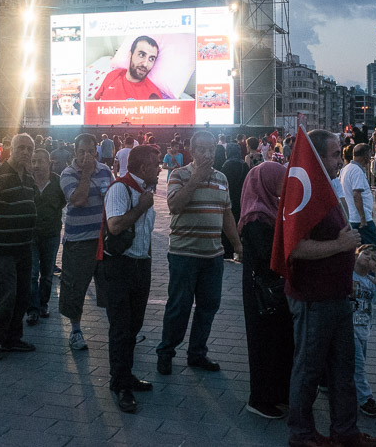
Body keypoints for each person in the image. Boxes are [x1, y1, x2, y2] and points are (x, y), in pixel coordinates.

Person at [284, 130, 376, 447]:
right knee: (308, 370)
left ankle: (346, 432)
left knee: (344, 369)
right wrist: (340, 244)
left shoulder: (326, 186)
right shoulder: (302, 189)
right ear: (315, 156)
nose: (338, 160)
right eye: (332, 154)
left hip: (339, 295)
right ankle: (301, 434)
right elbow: (294, 247)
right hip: (314, 297)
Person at [156, 131, 242, 376]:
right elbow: (174, 206)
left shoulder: (222, 178)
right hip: (184, 254)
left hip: (213, 256)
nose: (207, 153)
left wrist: (237, 245)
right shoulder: (179, 175)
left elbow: (227, 214)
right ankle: (166, 352)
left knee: (208, 306)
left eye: (211, 149)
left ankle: (197, 353)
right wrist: (196, 179)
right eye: (202, 149)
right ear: (192, 151)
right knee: (179, 306)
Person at [102, 145, 160, 413]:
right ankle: (120, 384)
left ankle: (126, 375)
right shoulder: (120, 189)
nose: (160, 168)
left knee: (134, 326)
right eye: (156, 164)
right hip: (118, 268)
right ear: (144, 167)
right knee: (121, 327)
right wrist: (140, 208)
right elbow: (114, 226)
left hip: (140, 266)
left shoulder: (144, 191)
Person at [0, 133, 38, 360]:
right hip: (2, 247)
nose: (25, 152)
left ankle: (12, 338)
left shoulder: (28, 177)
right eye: (21, 148)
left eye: (29, 149)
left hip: (24, 246)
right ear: (11, 150)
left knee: (22, 294)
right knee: (7, 294)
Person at [238, 161, 292, 420]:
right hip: (262, 291)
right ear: (267, 182)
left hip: (270, 289)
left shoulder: (269, 209)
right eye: (281, 180)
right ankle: (260, 399)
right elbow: (267, 256)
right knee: (264, 345)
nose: (285, 185)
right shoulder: (257, 216)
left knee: (277, 342)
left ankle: (278, 394)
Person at [59, 133, 114, 351]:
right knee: (75, 287)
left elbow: (112, 198)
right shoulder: (68, 173)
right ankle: (75, 331)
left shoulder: (106, 171)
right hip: (79, 241)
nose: (86, 156)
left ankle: (117, 329)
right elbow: (79, 199)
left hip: (103, 240)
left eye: (90, 152)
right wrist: (88, 173)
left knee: (110, 287)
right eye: (82, 152)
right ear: (75, 151)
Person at [27, 148, 66, 326]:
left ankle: (43, 304)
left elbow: (64, 202)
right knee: (32, 273)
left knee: (48, 274)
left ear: (48, 162)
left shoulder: (58, 182)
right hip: (30, 235)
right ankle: (33, 309)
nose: (36, 165)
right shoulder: (27, 182)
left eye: (40, 161)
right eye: (33, 161)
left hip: (51, 234)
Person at [351, 245, 376, 418]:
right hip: (347, 327)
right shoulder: (347, 274)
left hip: (363, 328)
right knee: (359, 365)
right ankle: (365, 399)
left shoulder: (371, 282)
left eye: (373, 258)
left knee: (358, 362)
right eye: (365, 254)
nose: (367, 258)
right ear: (356, 255)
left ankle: (328, 381)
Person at [93, 36, 166, 100]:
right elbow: (94, 101)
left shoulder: (153, 95)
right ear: (130, 55)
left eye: (151, 59)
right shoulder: (113, 75)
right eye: (141, 55)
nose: (145, 64)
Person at [339, 144, 376, 248]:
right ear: (365, 155)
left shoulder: (347, 168)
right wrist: (363, 217)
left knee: (360, 249)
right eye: (369, 154)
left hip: (353, 217)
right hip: (359, 219)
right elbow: (356, 195)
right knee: (375, 247)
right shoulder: (356, 171)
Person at [220, 142, 249, 262]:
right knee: (238, 223)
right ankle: (240, 251)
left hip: (229, 197)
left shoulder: (227, 165)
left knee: (227, 223)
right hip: (241, 199)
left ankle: (228, 251)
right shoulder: (244, 165)